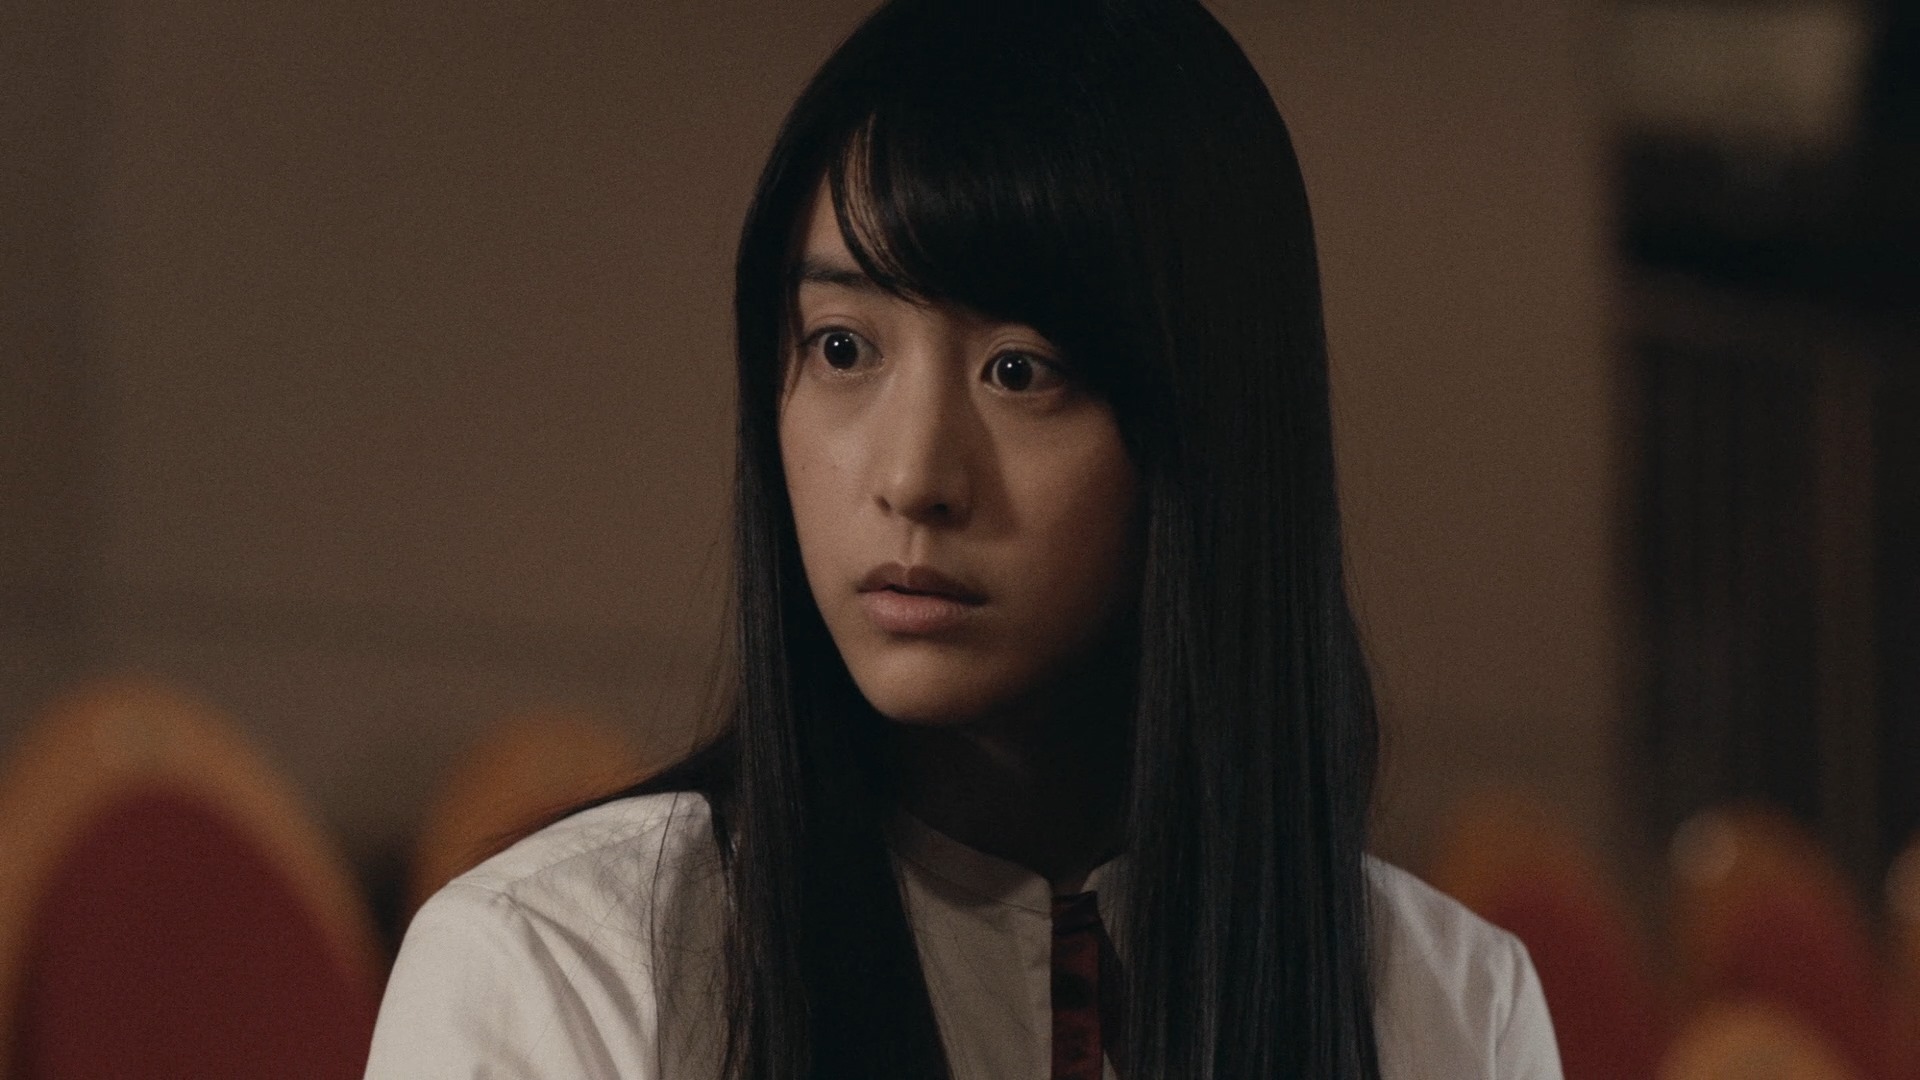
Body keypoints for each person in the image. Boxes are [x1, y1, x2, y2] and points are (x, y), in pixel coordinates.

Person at [363, 1, 1564, 1077]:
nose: (913, 477)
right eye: (842, 348)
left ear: (1208, 429)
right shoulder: (562, 970)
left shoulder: (1447, 1007)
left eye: (1020, 371)